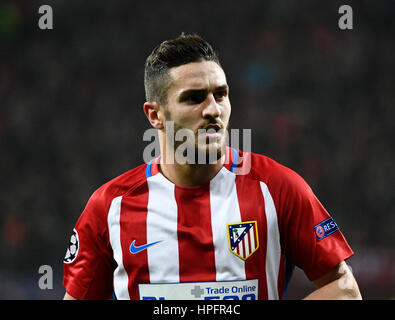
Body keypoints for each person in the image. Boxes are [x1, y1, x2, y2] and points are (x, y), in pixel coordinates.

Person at [63, 33, 361, 300]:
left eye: (220, 94)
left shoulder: (278, 188)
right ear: (155, 115)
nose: (213, 110)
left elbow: (344, 289)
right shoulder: (109, 207)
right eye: (193, 98)